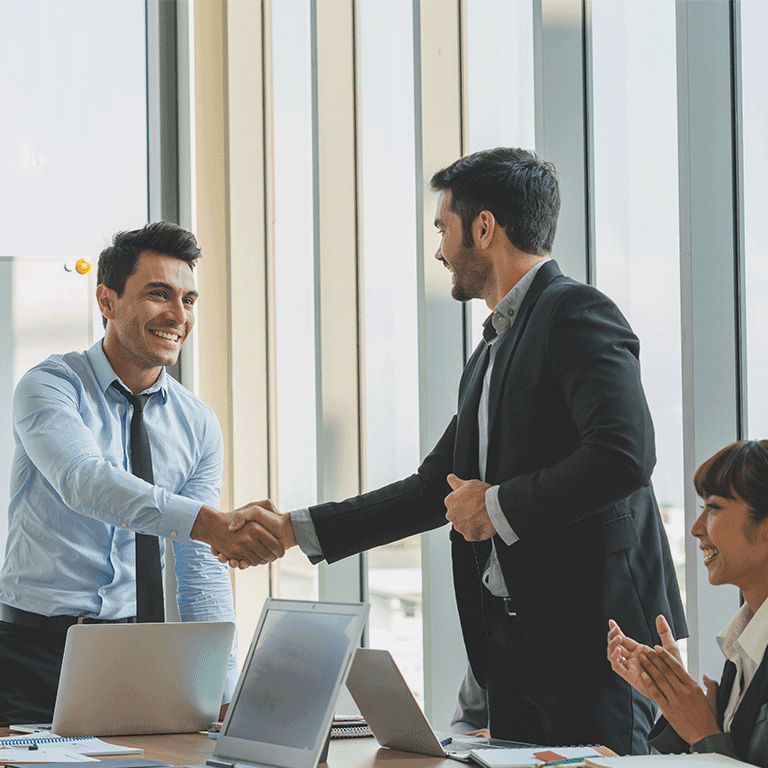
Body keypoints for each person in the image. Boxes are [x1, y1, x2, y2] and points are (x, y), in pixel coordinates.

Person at [222, 148, 686, 754]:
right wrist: (291, 531)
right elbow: (431, 490)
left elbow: (625, 454)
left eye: (443, 227)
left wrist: (496, 507)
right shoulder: (491, 351)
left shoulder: (575, 312)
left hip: (599, 651)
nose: (439, 249)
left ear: (484, 227)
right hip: (518, 656)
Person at [0, 222, 283, 726]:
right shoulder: (50, 386)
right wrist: (209, 522)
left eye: (189, 299)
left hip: (135, 655)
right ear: (106, 301)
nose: (178, 315)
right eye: (159, 295)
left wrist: (221, 686)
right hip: (31, 652)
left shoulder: (196, 422)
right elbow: (84, 480)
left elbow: (200, 566)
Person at [608, 440, 768, 766]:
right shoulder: (742, 647)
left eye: (714, 507)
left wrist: (703, 731)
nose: (696, 529)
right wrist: (675, 698)